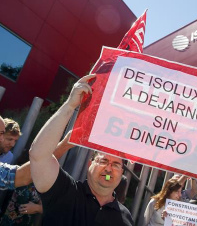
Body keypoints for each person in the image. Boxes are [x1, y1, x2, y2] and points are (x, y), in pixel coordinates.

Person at [29, 75, 134, 225]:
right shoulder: (64, 191)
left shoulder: (126, 218)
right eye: (103, 161)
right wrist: (70, 106)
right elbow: (38, 155)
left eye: (116, 165)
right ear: (90, 163)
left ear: (122, 173)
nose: (109, 169)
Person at [0, 116, 73, 190]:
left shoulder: (9, 156)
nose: (12, 144)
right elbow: (21, 177)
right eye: (9, 139)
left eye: (15, 141)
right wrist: (64, 145)